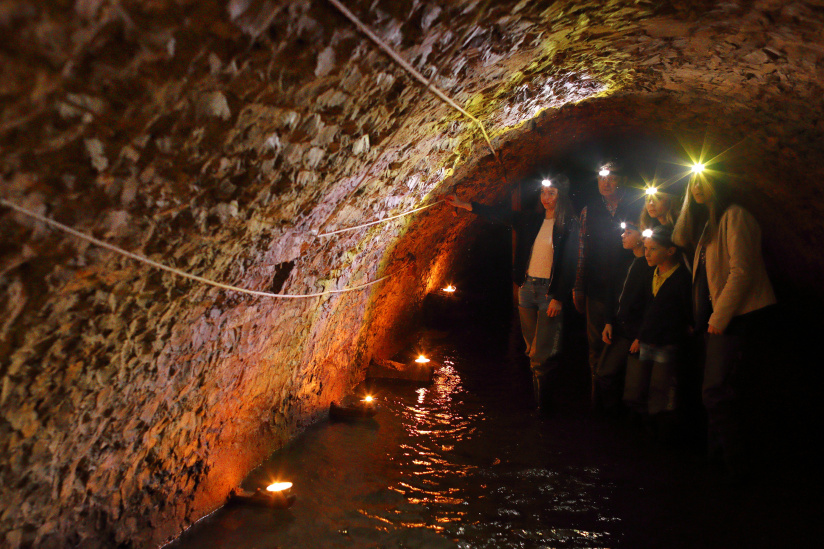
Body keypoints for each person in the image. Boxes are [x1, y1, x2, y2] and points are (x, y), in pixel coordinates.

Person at [673, 167, 776, 478]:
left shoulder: (735, 216)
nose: (697, 188)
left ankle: (736, 464)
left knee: (715, 391)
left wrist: (718, 317)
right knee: (714, 390)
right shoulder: (707, 225)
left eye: (703, 181)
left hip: (736, 317)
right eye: (692, 183)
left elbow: (741, 272)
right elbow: (679, 238)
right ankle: (716, 460)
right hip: (716, 319)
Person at [445, 176, 580, 410]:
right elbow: (499, 213)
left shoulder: (568, 225)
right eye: (544, 193)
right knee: (531, 350)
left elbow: (570, 262)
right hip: (527, 289)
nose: (546, 198)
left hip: (549, 292)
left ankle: (544, 408)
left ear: (562, 196)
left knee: (542, 354)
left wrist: (558, 297)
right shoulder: (531, 220)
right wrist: (464, 204)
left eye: (552, 193)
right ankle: (540, 401)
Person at [574, 160, 642, 391]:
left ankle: (623, 396)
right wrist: (579, 286)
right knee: (595, 343)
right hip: (597, 287)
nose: (606, 183)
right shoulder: (589, 210)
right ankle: (598, 394)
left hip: (628, 288)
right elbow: (582, 250)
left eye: (611, 178)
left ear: (621, 181)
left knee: (627, 341)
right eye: (602, 178)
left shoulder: (635, 207)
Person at [624, 225, 692, 440]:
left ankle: (660, 435)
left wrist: (664, 337)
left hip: (665, 343)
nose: (647, 253)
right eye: (646, 248)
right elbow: (643, 308)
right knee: (636, 389)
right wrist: (639, 335)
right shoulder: (649, 274)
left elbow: (683, 315)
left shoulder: (681, 279)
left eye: (653, 249)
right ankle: (643, 430)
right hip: (645, 340)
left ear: (670, 250)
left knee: (660, 391)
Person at [593, 220, 654, 415]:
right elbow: (612, 293)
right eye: (623, 232)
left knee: (635, 390)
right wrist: (609, 321)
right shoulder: (624, 262)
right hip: (620, 329)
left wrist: (641, 335)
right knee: (604, 373)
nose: (623, 235)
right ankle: (612, 418)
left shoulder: (650, 265)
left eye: (628, 232)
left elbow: (651, 304)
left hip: (636, 332)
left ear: (641, 237)